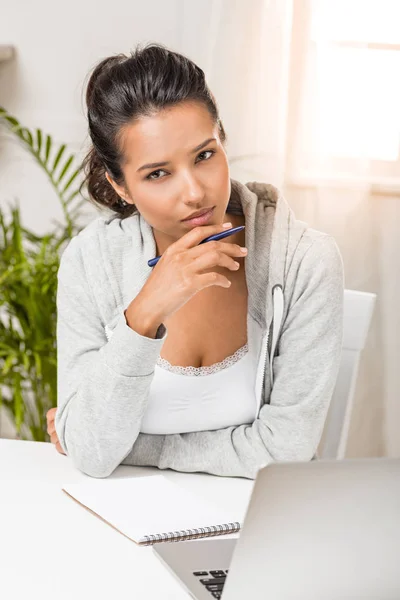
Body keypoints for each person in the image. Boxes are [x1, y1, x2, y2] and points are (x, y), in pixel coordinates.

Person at [46, 42, 344, 479]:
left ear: (222, 138)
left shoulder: (303, 262)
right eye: (157, 173)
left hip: (259, 522)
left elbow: (287, 452)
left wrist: (137, 449)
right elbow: (92, 454)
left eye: (204, 155)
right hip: (121, 520)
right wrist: (144, 312)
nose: (194, 192)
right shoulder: (91, 263)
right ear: (121, 186)